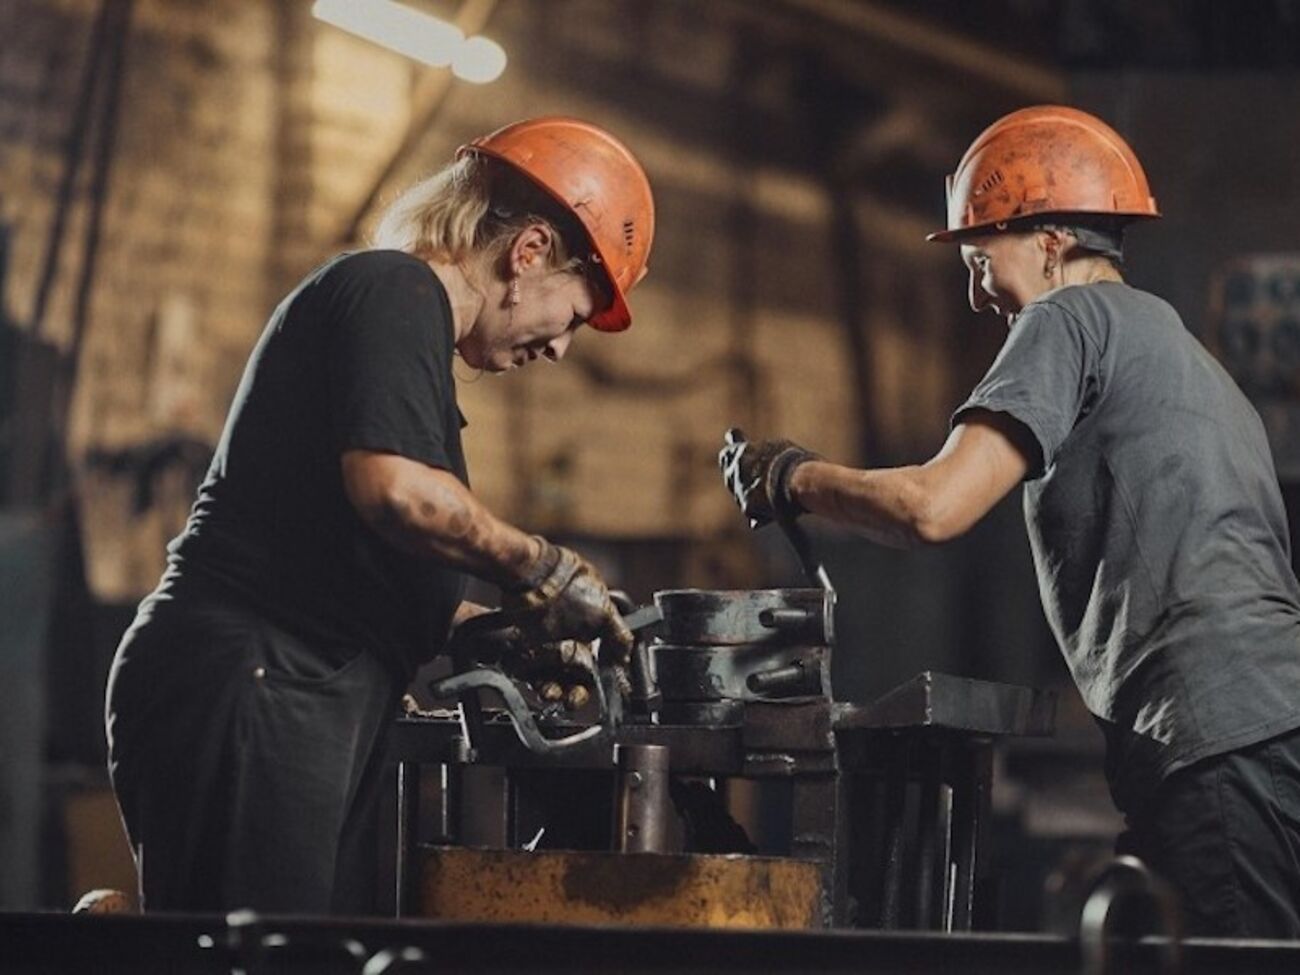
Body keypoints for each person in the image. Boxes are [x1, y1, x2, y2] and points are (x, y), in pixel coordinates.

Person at [720, 104, 1300, 938]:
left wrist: (791, 476)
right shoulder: (1188, 360)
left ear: (1051, 238)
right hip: (1262, 730)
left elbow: (934, 506)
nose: (976, 290)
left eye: (981, 256)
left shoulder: (1066, 319)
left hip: (1215, 742)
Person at [105, 116, 655, 914]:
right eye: (573, 315)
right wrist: (541, 567)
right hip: (257, 677)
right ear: (528, 251)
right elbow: (394, 490)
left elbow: (351, 551)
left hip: (287, 681)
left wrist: (483, 629)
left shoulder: (406, 329)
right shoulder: (393, 289)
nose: (562, 348)